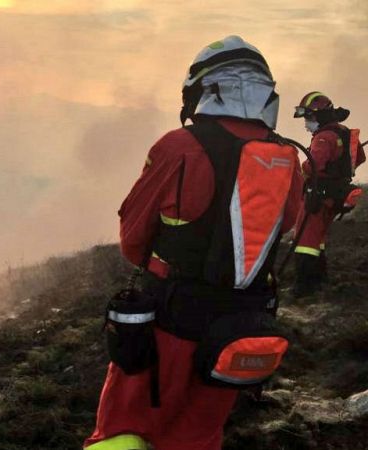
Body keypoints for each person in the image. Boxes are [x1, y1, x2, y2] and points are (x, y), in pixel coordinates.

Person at [84, 36, 303, 450]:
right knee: (198, 435)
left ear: (203, 89)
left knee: (123, 431)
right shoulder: (286, 158)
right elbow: (286, 225)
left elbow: (133, 238)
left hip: (170, 319)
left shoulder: (180, 146)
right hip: (238, 328)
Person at [291, 92, 364, 296]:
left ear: (320, 116)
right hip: (334, 195)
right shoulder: (345, 132)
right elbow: (359, 158)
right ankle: (320, 279)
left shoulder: (323, 138)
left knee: (305, 240)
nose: (307, 123)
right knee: (318, 238)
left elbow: (312, 165)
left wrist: (297, 167)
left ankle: (305, 287)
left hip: (318, 196)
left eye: (309, 118)